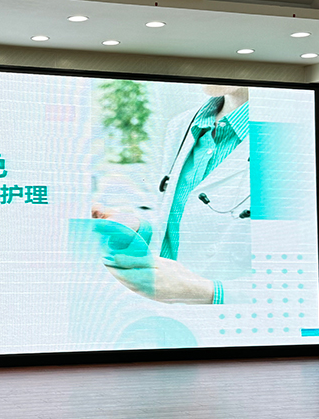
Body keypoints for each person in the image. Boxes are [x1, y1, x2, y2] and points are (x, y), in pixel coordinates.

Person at [92, 85, 250, 305]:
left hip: (228, 320)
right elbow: (180, 227)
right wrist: (137, 229)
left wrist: (208, 292)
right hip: (168, 312)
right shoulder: (183, 125)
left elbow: (293, 284)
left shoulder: (290, 134)